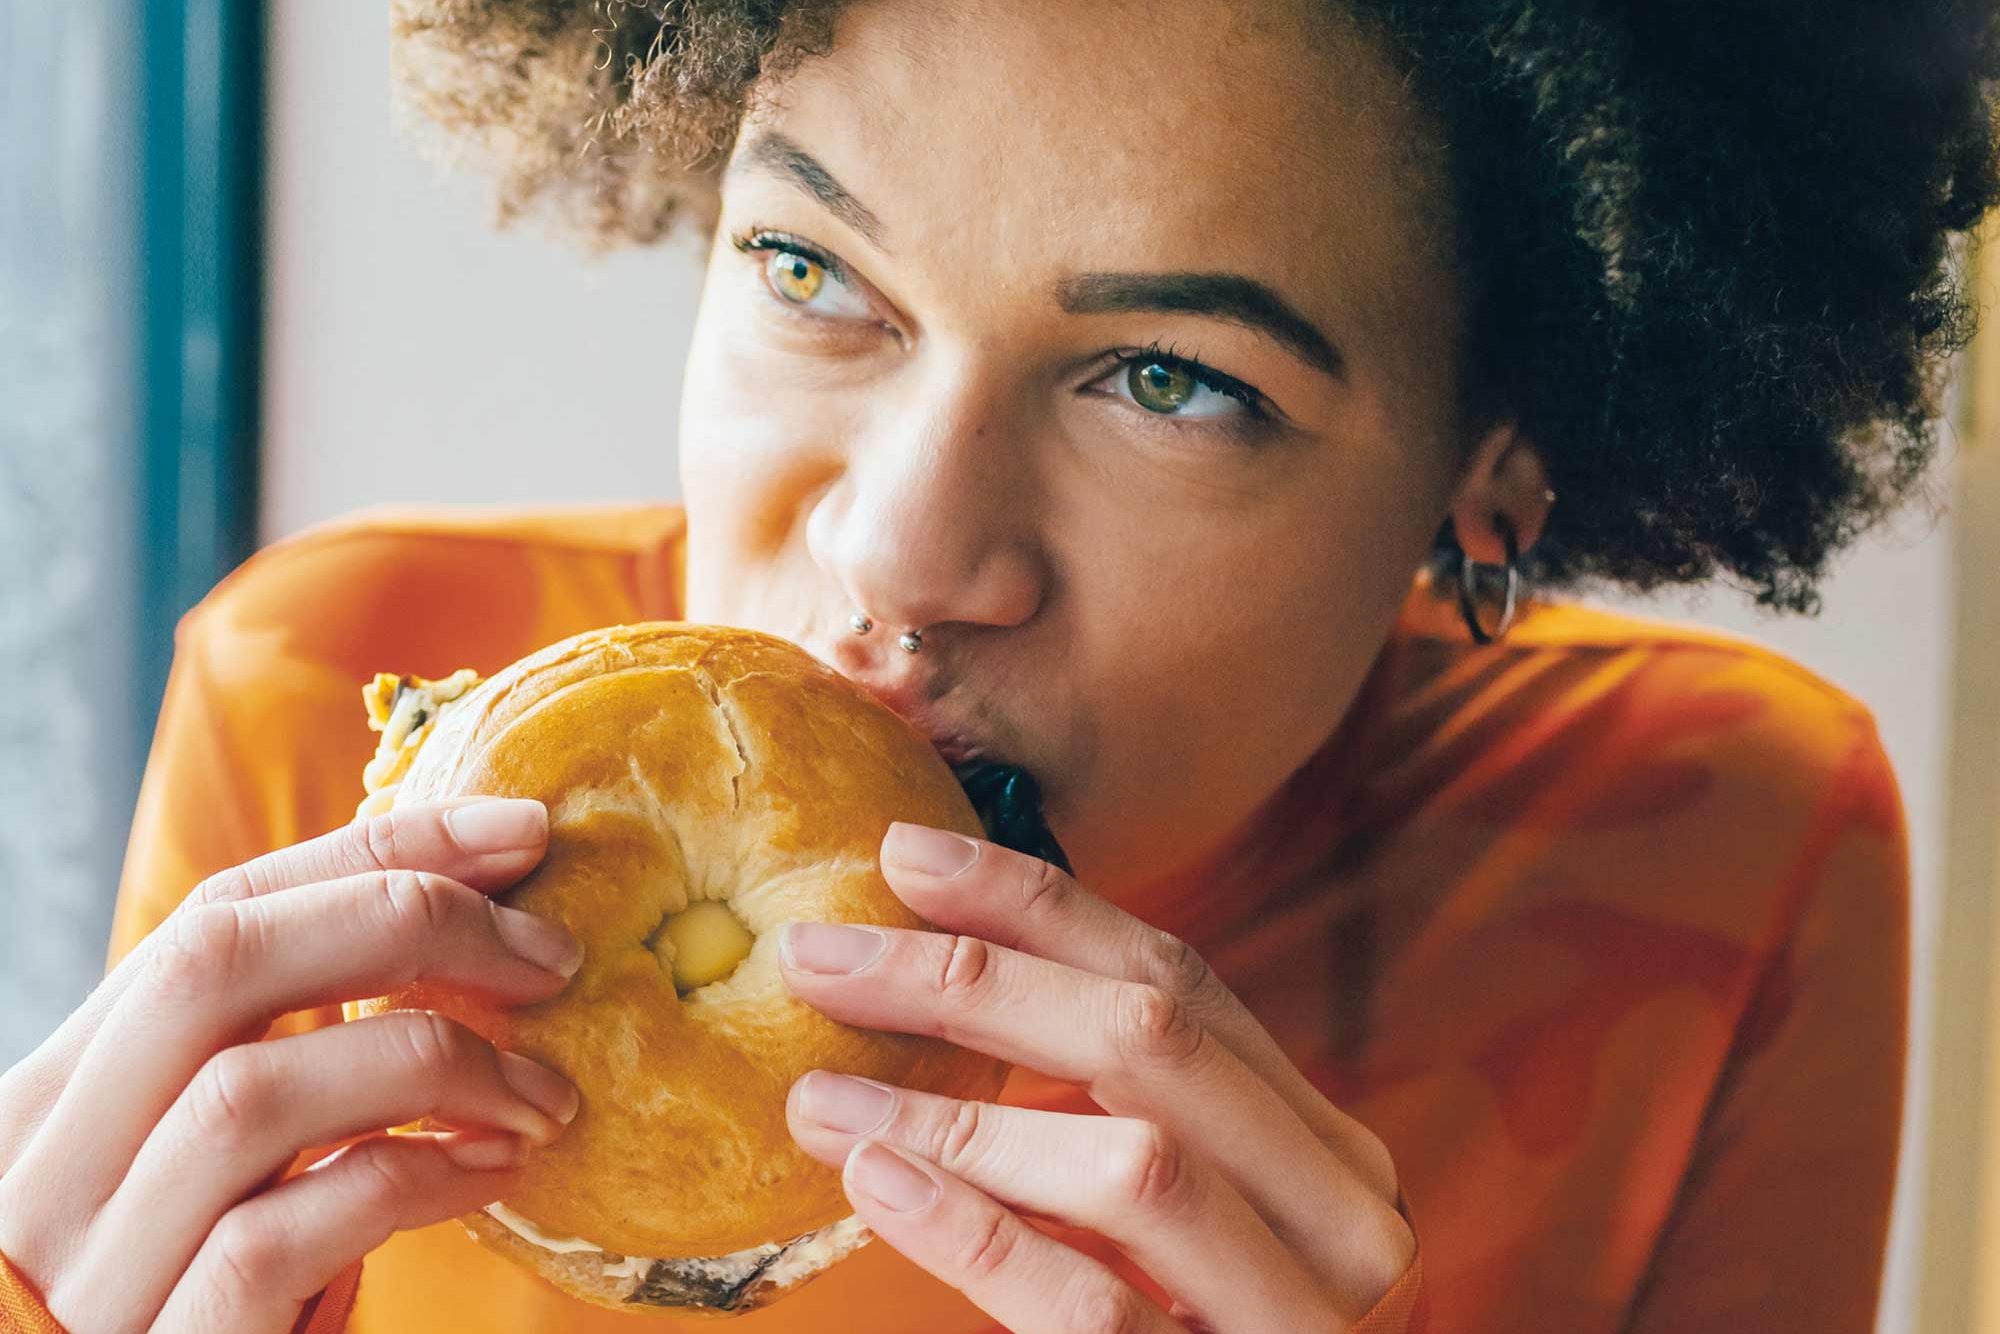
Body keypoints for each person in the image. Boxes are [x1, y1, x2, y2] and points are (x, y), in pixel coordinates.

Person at [3, 0, 1996, 1329]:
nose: (901, 552)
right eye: (810, 274)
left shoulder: (1716, 850)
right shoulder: (325, 691)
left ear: (1497, 463)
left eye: (1169, 381)